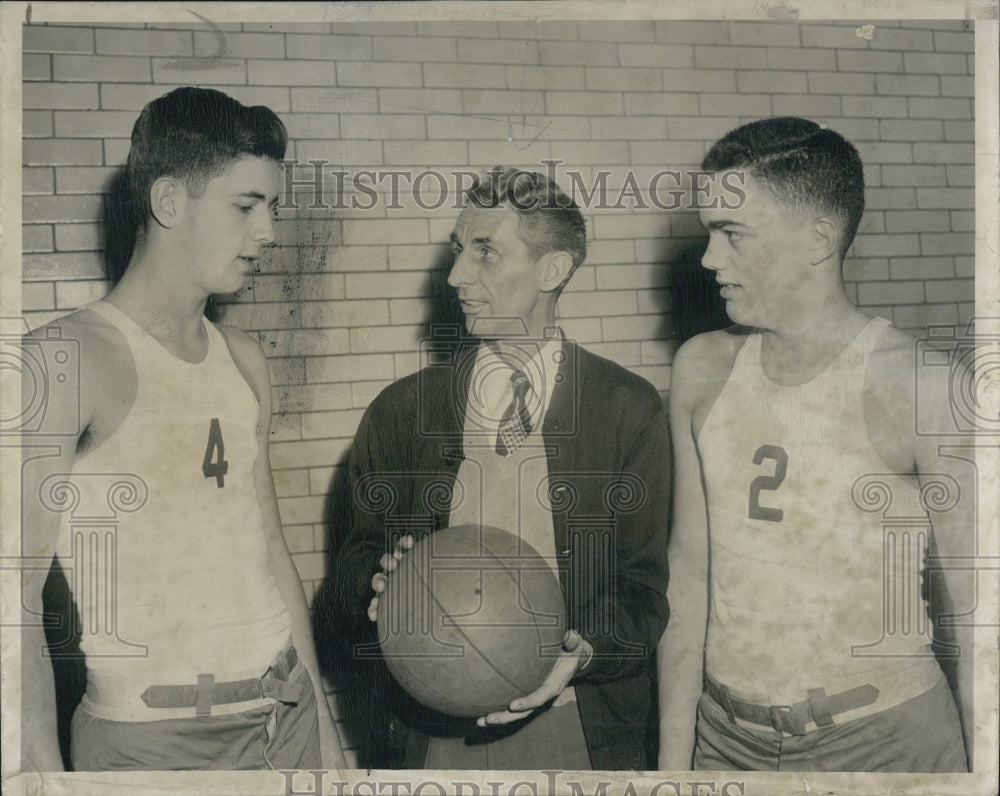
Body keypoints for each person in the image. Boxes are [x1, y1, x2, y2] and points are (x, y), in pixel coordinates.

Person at [20, 87, 344, 771]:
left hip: (284, 723)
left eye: (273, 208)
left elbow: (274, 553)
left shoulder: (246, 360)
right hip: (148, 745)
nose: (269, 233)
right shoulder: (67, 358)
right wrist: (42, 777)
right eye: (247, 206)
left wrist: (327, 735)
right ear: (169, 201)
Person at [658, 117, 973, 772]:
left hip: (884, 744)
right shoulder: (700, 370)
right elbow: (688, 582)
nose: (710, 258)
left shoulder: (921, 385)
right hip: (725, 741)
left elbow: (980, 619)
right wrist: (671, 767)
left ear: (818, 238)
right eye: (708, 233)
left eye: (732, 233)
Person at [330, 167, 671, 770]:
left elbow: (642, 591)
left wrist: (581, 654)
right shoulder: (402, 411)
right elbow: (354, 564)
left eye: (486, 252)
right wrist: (376, 585)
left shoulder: (627, 408)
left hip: (579, 728)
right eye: (460, 251)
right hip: (436, 736)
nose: (457, 275)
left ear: (553, 270)